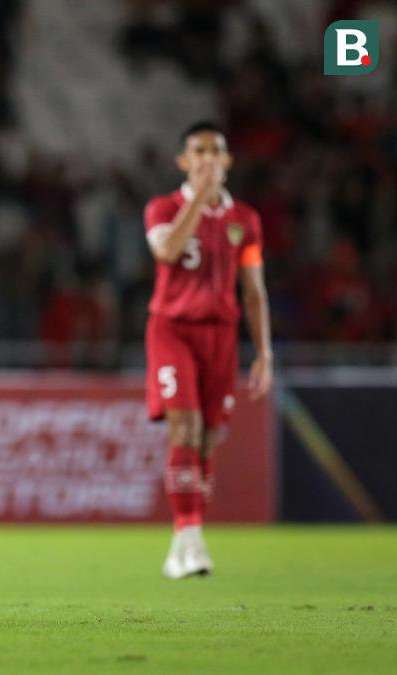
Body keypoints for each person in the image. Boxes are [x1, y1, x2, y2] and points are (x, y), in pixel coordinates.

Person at [143, 121, 272, 579]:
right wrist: (200, 198)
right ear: (184, 161)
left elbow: (253, 289)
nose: (208, 159)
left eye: (216, 151)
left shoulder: (246, 221)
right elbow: (167, 252)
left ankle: (184, 541)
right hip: (173, 329)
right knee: (185, 427)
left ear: (228, 161)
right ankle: (190, 538)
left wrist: (265, 352)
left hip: (221, 335)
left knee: (207, 440)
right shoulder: (163, 207)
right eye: (198, 151)